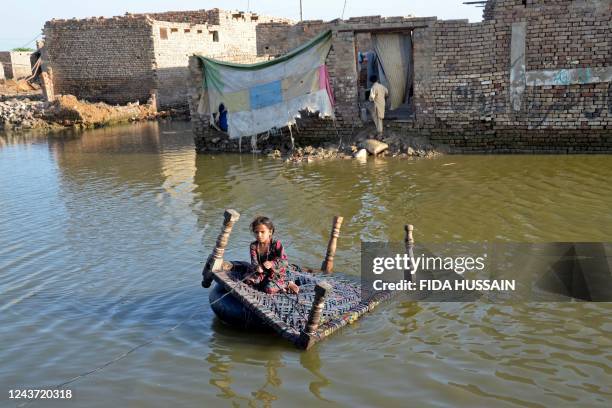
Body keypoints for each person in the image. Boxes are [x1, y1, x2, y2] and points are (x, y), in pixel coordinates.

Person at [247, 216, 299, 294]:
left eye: (262, 232)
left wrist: (271, 263)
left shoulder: (276, 244)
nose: (259, 235)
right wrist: (257, 267)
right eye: (256, 232)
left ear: (270, 232)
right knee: (249, 281)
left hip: (277, 272)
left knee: (269, 289)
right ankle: (276, 286)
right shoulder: (253, 246)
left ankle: (288, 284)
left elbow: (284, 262)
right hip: (263, 272)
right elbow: (254, 262)